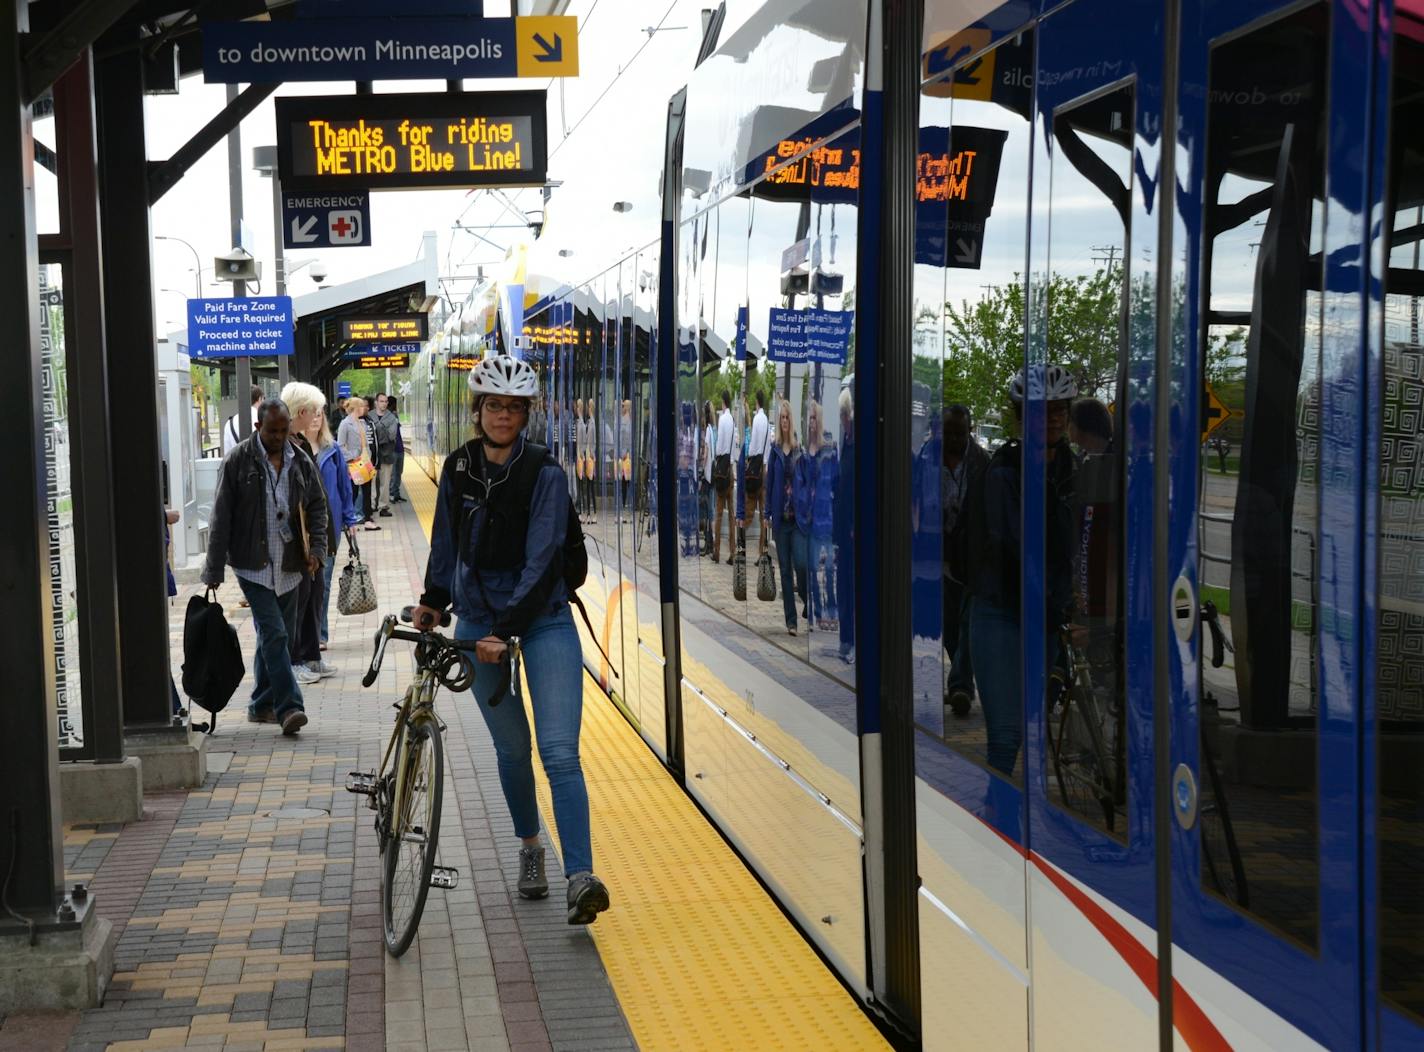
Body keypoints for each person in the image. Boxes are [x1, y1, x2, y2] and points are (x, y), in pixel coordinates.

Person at [413, 354, 610, 926]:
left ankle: (581, 877)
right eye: (494, 405)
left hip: (542, 618)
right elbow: (447, 544)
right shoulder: (457, 469)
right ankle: (531, 851)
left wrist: (508, 630)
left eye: (514, 407)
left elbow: (543, 556)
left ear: (527, 413)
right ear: (478, 410)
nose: (503, 415)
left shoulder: (545, 473)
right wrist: (433, 601)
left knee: (558, 752)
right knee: (511, 749)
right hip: (477, 623)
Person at [964, 364, 1077, 776]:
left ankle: (1024, 827)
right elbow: (1013, 543)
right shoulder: (1003, 472)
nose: (1050, 420)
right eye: (1039, 412)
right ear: (1020, 417)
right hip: (1001, 610)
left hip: (1047, 615)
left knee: (1034, 732)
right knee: (1008, 733)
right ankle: (995, 826)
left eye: (1058, 411)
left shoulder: (1073, 470)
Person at [203, 398, 328, 736]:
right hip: (252, 566)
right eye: (273, 430)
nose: (279, 436)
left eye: (284, 430)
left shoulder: (299, 459)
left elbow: (317, 506)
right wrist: (213, 569)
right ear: (258, 428)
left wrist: (317, 548)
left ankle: (260, 704)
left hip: (290, 567)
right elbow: (221, 516)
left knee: (275, 641)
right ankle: (289, 707)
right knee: (275, 634)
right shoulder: (238, 461)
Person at [279, 382, 332, 687]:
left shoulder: (301, 446)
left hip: (310, 540)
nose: (317, 417)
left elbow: (316, 499)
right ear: (301, 412)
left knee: (312, 598)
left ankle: (309, 656)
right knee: (296, 606)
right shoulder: (287, 448)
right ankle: (296, 660)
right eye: (314, 411)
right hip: (295, 543)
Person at [942, 405, 991, 719]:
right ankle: (962, 677)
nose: (955, 438)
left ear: (970, 431)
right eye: (949, 432)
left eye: (961, 433)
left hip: (973, 558)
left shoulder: (982, 464)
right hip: (943, 557)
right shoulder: (926, 460)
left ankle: (960, 684)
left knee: (967, 623)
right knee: (949, 627)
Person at [763, 399, 810, 635]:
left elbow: (806, 483)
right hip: (781, 521)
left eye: (786, 418)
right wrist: (767, 513)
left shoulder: (799, 450)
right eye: (781, 418)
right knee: (784, 572)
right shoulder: (774, 451)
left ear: (791, 421)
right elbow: (769, 482)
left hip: (798, 521)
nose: (783, 421)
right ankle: (791, 621)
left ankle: (807, 600)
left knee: (801, 564)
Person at [807, 399, 839, 631]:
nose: (811, 422)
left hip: (827, 515)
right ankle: (818, 612)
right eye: (809, 418)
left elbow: (837, 480)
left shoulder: (829, 446)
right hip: (811, 517)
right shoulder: (807, 448)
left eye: (814, 417)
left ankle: (832, 609)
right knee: (811, 567)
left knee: (828, 568)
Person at [834, 388, 855, 662]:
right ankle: (845, 638)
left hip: (853, 531)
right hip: (844, 531)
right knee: (843, 586)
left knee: (850, 587)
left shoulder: (856, 444)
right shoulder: (847, 443)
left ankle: (849, 638)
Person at [337, 397, 381, 532]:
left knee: (367, 492)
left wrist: (369, 460)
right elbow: (340, 445)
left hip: (364, 463)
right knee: (352, 493)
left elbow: (365, 444)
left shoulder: (361, 422)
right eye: (362, 406)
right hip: (353, 465)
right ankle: (347, 521)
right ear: (356, 408)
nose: (365, 408)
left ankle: (368, 519)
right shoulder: (345, 424)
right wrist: (353, 455)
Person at [744, 390, 772, 557]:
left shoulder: (756, 419)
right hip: (764, 469)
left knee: (748, 510)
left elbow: (753, 446)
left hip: (755, 469)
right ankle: (762, 552)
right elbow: (766, 447)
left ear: (757, 402)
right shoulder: (767, 421)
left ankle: (740, 548)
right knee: (763, 514)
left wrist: (748, 462)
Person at [711, 391, 735, 561]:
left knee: (719, 513)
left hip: (722, 470)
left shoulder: (722, 419)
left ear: (722, 402)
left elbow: (719, 448)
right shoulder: (732, 420)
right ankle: (733, 552)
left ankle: (717, 551)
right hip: (731, 471)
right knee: (731, 513)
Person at [371, 392, 399, 518]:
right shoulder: (369, 415)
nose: (384, 403)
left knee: (385, 482)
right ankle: (371, 506)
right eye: (381, 401)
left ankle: (383, 506)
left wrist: (376, 429)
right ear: (376, 402)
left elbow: (392, 436)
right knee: (370, 481)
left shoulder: (392, 417)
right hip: (371, 455)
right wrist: (383, 429)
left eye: (386, 401)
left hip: (387, 454)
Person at [222, 385, 263, 456]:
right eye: (263, 399)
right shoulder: (262, 420)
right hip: (256, 465)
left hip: (235, 465)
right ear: (259, 399)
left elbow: (227, 453)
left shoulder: (229, 423)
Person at [388, 395, 407, 503]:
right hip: (393, 450)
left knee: (399, 472)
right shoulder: (387, 417)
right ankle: (392, 494)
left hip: (400, 448)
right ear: (393, 404)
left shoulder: (395, 415)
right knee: (394, 473)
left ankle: (396, 493)